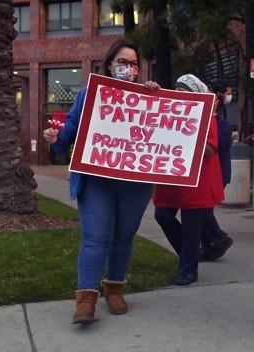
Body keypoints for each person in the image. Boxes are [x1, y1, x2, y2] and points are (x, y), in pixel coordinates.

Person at [43, 39, 160, 324]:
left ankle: (115, 288)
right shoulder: (89, 94)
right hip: (97, 180)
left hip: (135, 182)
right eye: (122, 62)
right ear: (109, 64)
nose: (128, 68)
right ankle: (85, 298)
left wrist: (157, 100)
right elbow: (70, 129)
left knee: (123, 237)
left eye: (133, 64)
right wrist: (56, 139)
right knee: (96, 238)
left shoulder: (148, 96)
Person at [153, 74, 225, 286]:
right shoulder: (168, 113)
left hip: (197, 180)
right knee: (162, 215)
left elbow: (211, 148)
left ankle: (188, 270)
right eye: (177, 90)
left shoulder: (206, 116)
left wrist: (185, 139)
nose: (179, 96)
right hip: (172, 179)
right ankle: (189, 254)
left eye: (184, 92)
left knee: (192, 227)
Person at [199, 80, 234, 261]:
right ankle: (210, 245)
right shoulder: (218, 123)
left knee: (204, 211)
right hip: (211, 173)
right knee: (203, 211)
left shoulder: (222, 125)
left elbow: (219, 146)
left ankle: (219, 239)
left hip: (218, 173)